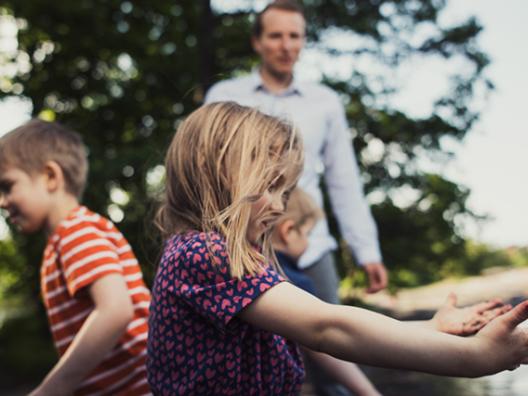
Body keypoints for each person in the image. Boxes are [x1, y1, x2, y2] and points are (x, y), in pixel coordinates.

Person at [147, 101, 528, 396]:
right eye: (269, 185)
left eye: (286, 191)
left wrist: (430, 328)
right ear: (213, 173)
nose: (280, 206)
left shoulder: (210, 256)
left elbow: (327, 325)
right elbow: (327, 327)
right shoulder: (204, 256)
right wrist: (475, 358)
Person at [204, 1, 387, 393]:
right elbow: (207, 172)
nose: (286, 45)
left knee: (335, 350)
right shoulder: (225, 95)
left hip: (310, 245)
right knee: (261, 360)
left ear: (303, 41)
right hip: (244, 249)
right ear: (257, 41)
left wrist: (366, 250)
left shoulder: (325, 103)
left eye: (295, 36)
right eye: (275, 35)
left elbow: (344, 180)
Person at [271, 187, 512, 396]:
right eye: (310, 234)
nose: (312, 243)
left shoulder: (263, 273)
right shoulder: (291, 280)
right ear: (289, 231)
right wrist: (367, 391)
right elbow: (329, 336)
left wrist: (432, 326)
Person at [0, 119, 152, 395]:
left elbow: (115, 309)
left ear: (50, 177)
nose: (2, 201)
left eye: (7, 186)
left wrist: (52, 389)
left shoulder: (75, 232)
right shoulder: (67, 238)